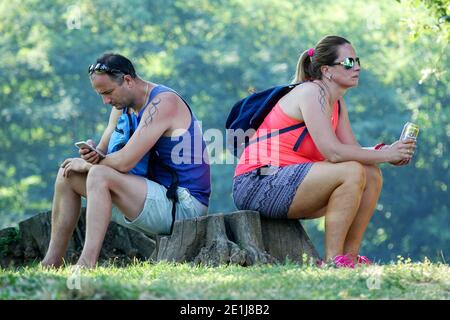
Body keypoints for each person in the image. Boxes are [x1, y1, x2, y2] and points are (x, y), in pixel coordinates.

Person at [232, 36, 416, 268]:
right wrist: (386, 155)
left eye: (357, 61)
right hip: (256, 182)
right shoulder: (311, 93)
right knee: (351, 171)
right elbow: (335, 153)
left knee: (370, 172)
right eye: (349, 62)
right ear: (327, 70)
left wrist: (386, 151)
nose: (357, 67)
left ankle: (349, 258)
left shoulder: (336, 103)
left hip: (292, 181)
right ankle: (332, 260)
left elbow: (352, 151)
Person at [42, 53, 211, 268]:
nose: (106, 101)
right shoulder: (121, 107)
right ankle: (50, 263)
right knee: (67, 173)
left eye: (108, 92)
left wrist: (89, 164)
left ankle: (86, 264)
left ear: (128, 80)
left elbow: (123, 163)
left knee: (98, 174)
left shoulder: (163, 102)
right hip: (144, 194)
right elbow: (103, 152)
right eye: (101, 95)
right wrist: (91, 153)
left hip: (184, 206)